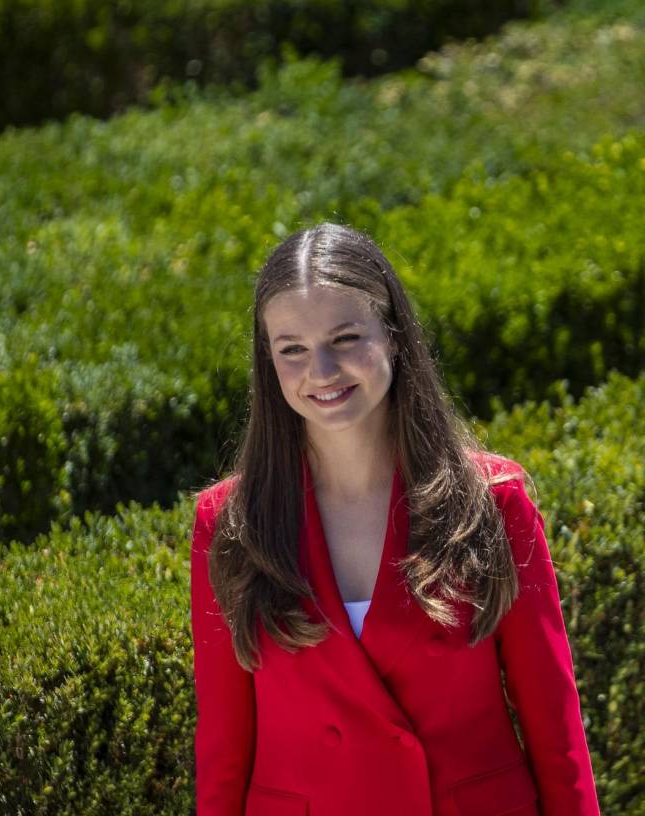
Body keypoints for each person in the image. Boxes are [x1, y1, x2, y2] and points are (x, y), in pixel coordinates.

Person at [190, 222, 600, 815]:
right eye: (293, 349)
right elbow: (224, 750)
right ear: (268, 361)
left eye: (346, 337)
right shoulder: (229, 522)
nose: (322, 371)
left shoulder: (492, 501)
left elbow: (555, 729)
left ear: (395, 334)